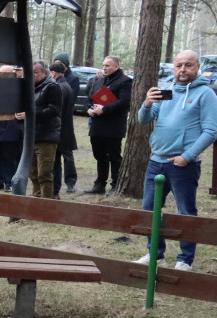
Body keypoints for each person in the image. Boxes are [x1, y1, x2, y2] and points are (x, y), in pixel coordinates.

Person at [134, 49, 217, 272]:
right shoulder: (167, 89)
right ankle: (155, 254)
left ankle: (185, 259)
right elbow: (144, 120)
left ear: (197, 67)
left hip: (183, 165)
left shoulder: (206, 94)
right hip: (156, 161)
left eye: (188, 65)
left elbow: (211, 131)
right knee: (150, 210)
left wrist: (187, 157)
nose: (182, 69)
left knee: (186, 212)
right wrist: (147, 103)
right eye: (179, 65)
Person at [84, 55, 131, 194]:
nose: (104, 68)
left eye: (108, 65)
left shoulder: (125, 81)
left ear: (116, 66)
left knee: (114, 157)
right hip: (97, 125)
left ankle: (115, 184)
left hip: (113, 126)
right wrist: (88, 109)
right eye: (103, 65)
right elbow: (89, 99)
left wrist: (104, 109)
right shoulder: (99, 81)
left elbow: (124, 102)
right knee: (99, 155)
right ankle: (99, 184)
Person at [15, 61, 61, 199]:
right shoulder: (29, 87)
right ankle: (37, 197)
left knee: (44, 173)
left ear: (45, 73)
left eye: (35, 72)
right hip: (30, 136)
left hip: (46, 136)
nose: (32, 75)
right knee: (32, 171)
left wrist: (29, 115)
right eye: (31, 72)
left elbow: (54, 110)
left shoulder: (52, 87)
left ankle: (46, 202)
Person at [0, 66, 22, 191]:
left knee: (9, 158)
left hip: (11, 129)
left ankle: (9, 182)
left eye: (2, 74)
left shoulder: (19, 88)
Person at [51, 54, 79, 192]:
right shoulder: (61, 83)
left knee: (65, 155)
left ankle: (70, 182)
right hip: (62, 125)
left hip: (63, 125)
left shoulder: (69, 81)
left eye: (59, 62)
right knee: (58, 156)